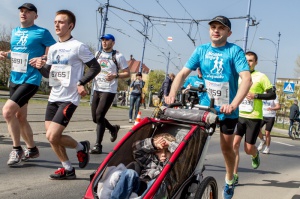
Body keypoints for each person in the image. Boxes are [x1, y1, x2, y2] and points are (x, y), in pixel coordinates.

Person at [164, 16, 252, 199]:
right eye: (213, 27)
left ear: (229, 32)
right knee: (193, 142)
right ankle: (189, 176)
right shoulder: (201, 50)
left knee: (226, 148)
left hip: (227, 110)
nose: (216, 30)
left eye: (221, 28)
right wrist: (173, 94)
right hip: (205, 107)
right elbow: (182, 74)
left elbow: (247, 79)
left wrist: (233, 104)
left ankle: (229, 178)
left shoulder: (234, 51)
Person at [35, 10, 101, 179]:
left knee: (52, 135)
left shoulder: (78, 46)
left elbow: (95, 67)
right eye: (55, 21)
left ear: (70, 26)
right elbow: (48, 73)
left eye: (61, 22)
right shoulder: (54, 48)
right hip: (53, 96)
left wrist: (81, 83)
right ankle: (68, 167)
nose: (57, 25)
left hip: (69, 98)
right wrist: (40, 65)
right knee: (52, 138)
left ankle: (79, 148)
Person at [0, 3, 56, 166]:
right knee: (20, 116)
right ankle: (32, 149)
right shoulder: (15, 32)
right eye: (22, 11)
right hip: (15, 78)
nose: (24, 14)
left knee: (7, 112)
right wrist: (6, 54)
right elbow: (18, 53)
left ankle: (17, 149)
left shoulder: (42, 32)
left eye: (28, 12)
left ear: (35, 16)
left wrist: (43, 59)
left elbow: (54, 51)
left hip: (31, 79)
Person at [233, 51, 275, 185]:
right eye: (245, 60)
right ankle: (234, 175)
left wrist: (256, 95)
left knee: (248, 149)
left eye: (251, 60)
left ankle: (255, 154)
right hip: (238, 116)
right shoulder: (238, 75)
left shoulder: (261, 77)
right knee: (234, 145)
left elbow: (272, 95)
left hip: (253, 117)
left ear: (255, 62)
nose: (248, 63)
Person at [90, 34, 130, 154]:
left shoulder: (118, 56)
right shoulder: (97, 54)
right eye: (102, 40)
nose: (104, 42)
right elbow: (92, 69)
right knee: (95, 118)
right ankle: (113, 128)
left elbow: (127, 73)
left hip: (109, 90)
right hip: (97, 89)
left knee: (99, 115)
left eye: (107, 40)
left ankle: (98, 145)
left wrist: (115, 75)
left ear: (113, 42)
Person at [110, 133, 178, 198]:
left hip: (156, 190)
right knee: (129, 173)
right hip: (140, 185)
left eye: (167, 151)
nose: (163, 154)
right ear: (154, 152)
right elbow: (136, 148)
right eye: (159, 151)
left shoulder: (175, 165)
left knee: (155, 182)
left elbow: (184, 155)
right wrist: (153, 144)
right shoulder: (150, 159)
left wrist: (170, 144)